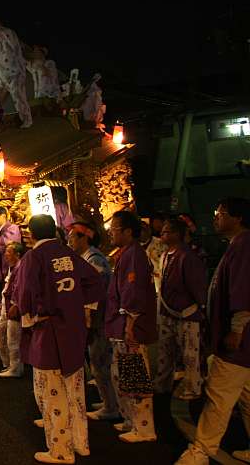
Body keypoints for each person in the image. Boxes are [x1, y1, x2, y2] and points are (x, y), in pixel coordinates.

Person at [13, 215, 104, 464]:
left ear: (31, 233)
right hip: (73, 330)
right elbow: (95, 281)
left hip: (49, 332)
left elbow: (25, 294)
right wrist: (80, 307)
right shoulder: (68, 254)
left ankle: (61, 451)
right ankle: (81, 443)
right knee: (75, 390)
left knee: (53, 394)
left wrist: (31, 315)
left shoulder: (33, 257)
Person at [175, 197, 250, 465]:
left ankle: (201, 451)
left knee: (218, 395)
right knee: (246, 396)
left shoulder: (243, 246)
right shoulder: (238, 245)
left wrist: (237, 329)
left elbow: (243, 291)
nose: (216, 217)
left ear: (237, 218)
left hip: (239, 341)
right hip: (241, 340)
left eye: (221, 213)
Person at [106, 210, 158, 443]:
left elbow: (133, 292)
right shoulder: (126, 253)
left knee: (135, 375)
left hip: (130, 326)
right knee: (123, 375)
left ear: (128, 232)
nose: (111, 233)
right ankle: (130, 420)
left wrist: (130, 324)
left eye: (114, 229)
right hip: (122, 325)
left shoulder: (134, 255)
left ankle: (144, 427)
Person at [67, 221, 118, 421]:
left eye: (73, 237)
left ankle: (111, 407)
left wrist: (89, 322)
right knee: (98, 363)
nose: (70, 241)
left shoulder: (94, 260)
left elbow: (95, 295)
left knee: (100, 363)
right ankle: (109, 402)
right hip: (97, 319)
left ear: (84, 238)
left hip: (99, 320)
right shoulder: (86, 258)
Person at [155, 218, 207, 400]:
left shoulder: (188, 256)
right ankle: (163, 384)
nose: (162, 234)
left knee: (189, 354)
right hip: (167, 311)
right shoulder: (164, 255)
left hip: (187, 312)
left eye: (167, 231)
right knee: (165, 352)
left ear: (177, 234)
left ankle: (193, 387)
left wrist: (200, 306)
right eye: (163, 231)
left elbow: (197, 285)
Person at [0, 241, 25, 378]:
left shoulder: (21, 268)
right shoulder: (11, 268)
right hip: (6, 307)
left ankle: (15, 368)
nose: (5, 254)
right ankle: (8, 364)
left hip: (13, 308)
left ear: (17, 254)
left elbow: (20, 288)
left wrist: (15, 304)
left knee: (13, 340)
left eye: (9, 252)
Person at [0, 206, 22, 303]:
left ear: (3, 215)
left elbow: (6, 246)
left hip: (9, 269)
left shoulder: (13, 228)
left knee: (9, 296)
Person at [140, 219, 168, 292]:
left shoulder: (161, 243)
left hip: (163, 284)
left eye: (145, 228)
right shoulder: (136, 249)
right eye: (141, 230)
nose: (143, 232)